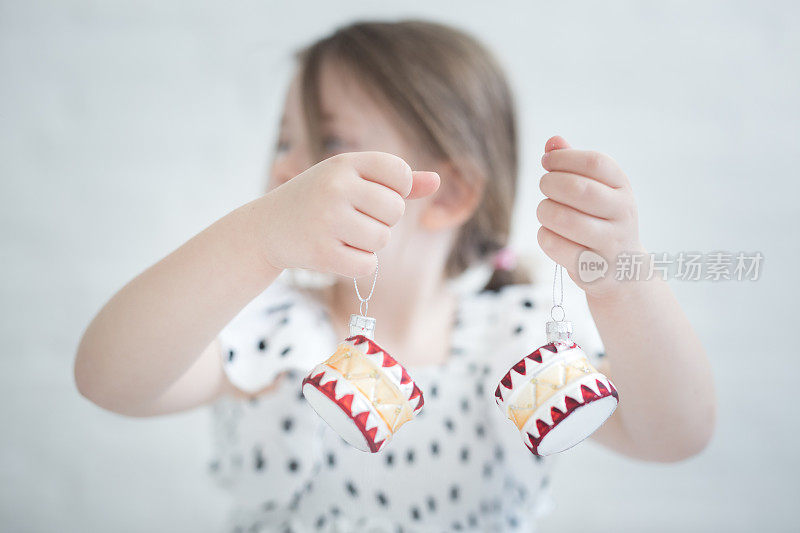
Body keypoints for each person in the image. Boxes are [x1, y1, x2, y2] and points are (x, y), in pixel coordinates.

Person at [74, 20, 715, 532]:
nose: (286, 171)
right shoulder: (273, 329)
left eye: (324, 143)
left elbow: (677, 435)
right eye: (282, 143)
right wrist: (256, 236)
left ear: (448, 193)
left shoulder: (519, 338)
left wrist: (619, 282)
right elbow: (109, 379)